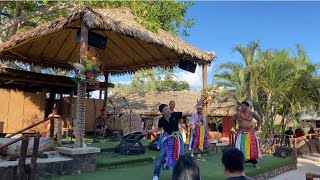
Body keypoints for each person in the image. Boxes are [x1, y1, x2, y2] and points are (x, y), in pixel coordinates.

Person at [144, 100, 202, 180]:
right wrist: (149, 131)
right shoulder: (161, 120)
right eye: (166, 109)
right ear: (162, 112)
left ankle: (182, 174)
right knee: (161, 156)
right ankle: (156, 175)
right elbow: (158, 128)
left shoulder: (175, 115)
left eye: (168, 109)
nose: (168, 110)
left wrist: (196, 105)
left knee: (181, 156)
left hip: (177, 138)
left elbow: (188, 112)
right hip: (167, 139)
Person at [230, 101, 262, 168]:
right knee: (240, 149)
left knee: (252, 149)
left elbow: (259, 120)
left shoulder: (252, 113)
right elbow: (232, 120)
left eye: (243, 106)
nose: (242, 107)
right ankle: (240, 163)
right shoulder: (238, 114)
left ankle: (254, 163)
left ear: (247, 107)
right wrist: (235, 128)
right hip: (241, 133)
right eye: (241, 106)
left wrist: (256, 128)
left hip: (250, 133)